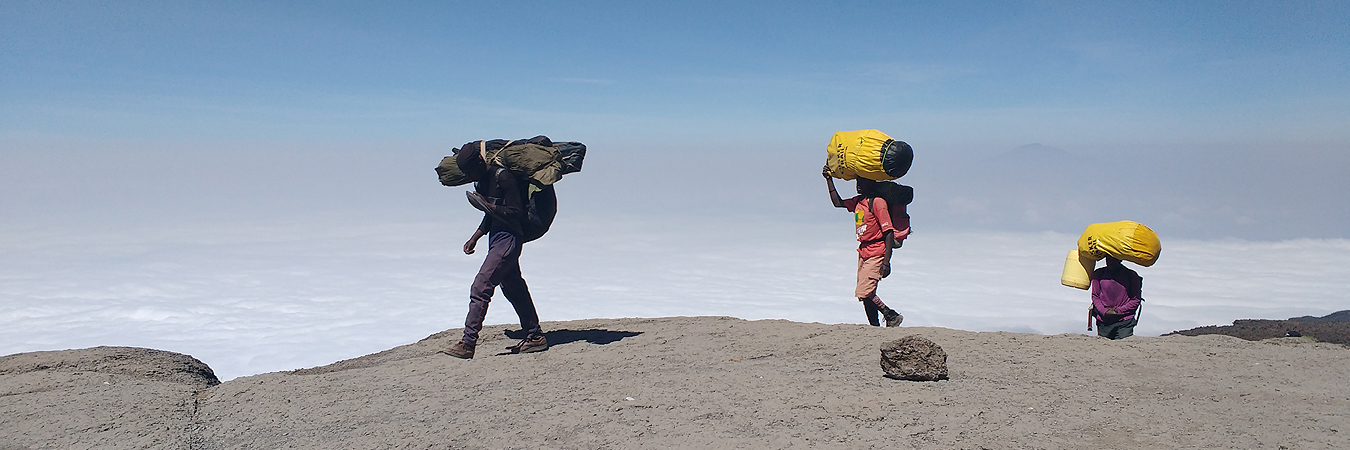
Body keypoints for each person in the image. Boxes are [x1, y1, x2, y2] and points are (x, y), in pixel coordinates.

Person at [441, 147, 548, 359]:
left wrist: (488, 206)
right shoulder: (481, 180)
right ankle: (535, 336)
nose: (469, 177)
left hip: (509, 239)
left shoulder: (504, 177)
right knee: (513, 287)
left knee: (481, 286)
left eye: (471, 171)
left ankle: (468, 343)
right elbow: (491, 212)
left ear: (480, 162)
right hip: (497, 238)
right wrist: (475, 237)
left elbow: (515, 211)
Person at [824, 166, 908, 327]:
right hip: (863, 251)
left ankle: (891, 315)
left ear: (872, 183)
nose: (859, 185)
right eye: (858, 182)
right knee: (865, 294)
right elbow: (838, 203)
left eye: (863, 181)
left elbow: (888, 231)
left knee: (865, 291)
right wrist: (829, 180)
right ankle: (874, 326)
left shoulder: (877, 202)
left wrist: (886, 261)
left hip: (877, 251)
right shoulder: (858, 201)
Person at [1089, 256, 1143, 339]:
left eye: (1114, 258)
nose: (1110, 261)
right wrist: (1104, 312)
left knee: (1122, 347)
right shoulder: (1099, 274)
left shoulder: (1131, 275)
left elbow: (1136, 300)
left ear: (1120, 259)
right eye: (1108, 258)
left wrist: (1118, 311)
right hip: (1103, 321)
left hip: (1124, 321)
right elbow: (1095, 296)